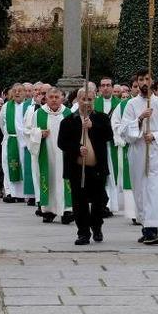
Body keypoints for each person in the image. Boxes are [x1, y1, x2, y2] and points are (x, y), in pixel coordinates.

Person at [120, 69, 158, 245]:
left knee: (155, 190)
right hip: (138, 154)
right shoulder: (131, 105)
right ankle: (146, 227)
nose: (144, 82)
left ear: (152, 81)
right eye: (141, 79)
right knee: (140, 191)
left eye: (147, 79)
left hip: (155, 154)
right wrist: (139, 119)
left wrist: (156, 136)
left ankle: (153, 230)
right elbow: (123, 130)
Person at [58, 87, 113, 245]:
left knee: (99, 201)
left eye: (90, 99)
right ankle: (83, 232)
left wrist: (93, 126)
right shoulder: (68, 121)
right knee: (79, 202)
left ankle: (97, 227)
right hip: (77, 169)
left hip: (97, 169)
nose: (87, 103)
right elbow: (62, 142)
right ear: (78, 100)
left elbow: (109, 135)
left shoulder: (101, 118)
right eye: (84, 99)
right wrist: (77, 148)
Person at [25, 87, 74, 224]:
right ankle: (48, 211)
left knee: (64, 180)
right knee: (49, 179)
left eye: (56, 97)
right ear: (46, 98)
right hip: (46, 154)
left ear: (62, 98)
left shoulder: (68, 113)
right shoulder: (39, 113)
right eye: (51, 97)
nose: (53, 100)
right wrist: (39, 134)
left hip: (64, 155)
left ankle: (67, 210)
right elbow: (28, 132)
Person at [111, 78, 139, 224]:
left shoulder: (154, 104)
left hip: (148, 148)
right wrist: (122, 138)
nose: (138, 89)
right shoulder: (122, 105)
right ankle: (134, 213)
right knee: (131, 180)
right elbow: (115, 124)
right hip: (129, 147)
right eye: (135, 86)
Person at [94, 77, 121, 217]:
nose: (105, 88)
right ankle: (101, 203)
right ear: (99, 88)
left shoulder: (120, 104)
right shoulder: (93, 103)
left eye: (108, 85)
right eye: (103, 85)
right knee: (101, 174)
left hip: (114, 145)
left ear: (112, 87)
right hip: (98, 146)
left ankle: (112, 204)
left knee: (113, 174)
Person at [0, 83, 28, 203]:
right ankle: (10, 192)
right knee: (8, 166)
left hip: (25, 141)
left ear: (25, 92)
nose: (17, 93)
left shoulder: (29, 106)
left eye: (20, 91)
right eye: (15, 91)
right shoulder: (6, 106)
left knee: (24, 165)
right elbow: (2, 123)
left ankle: (22, 194)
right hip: (11, 140)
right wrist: (9, 135)